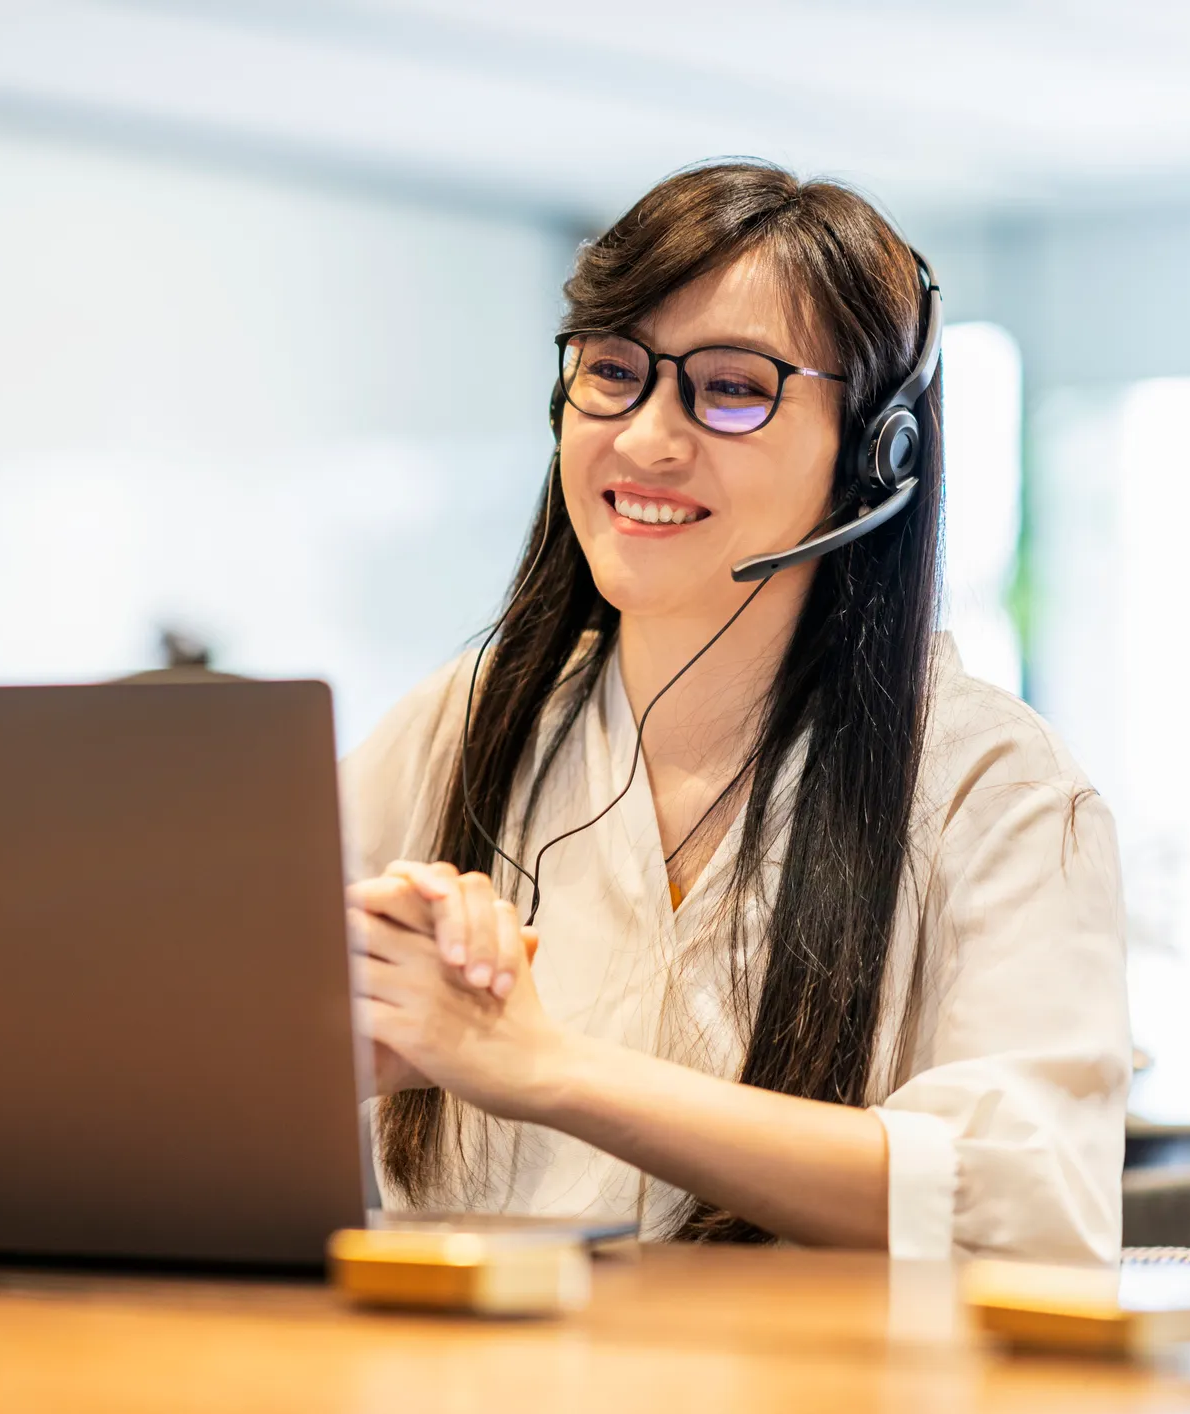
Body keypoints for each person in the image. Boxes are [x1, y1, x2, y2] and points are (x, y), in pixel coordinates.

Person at [343, 161, 1129, 1263]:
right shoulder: (460, 727)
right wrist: (333, 1021)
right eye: (612, 370)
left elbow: (1031, 1204)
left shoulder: (988, 784)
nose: (648, 437)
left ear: (873, 452)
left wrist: (547, 1068)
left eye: (731, 387)